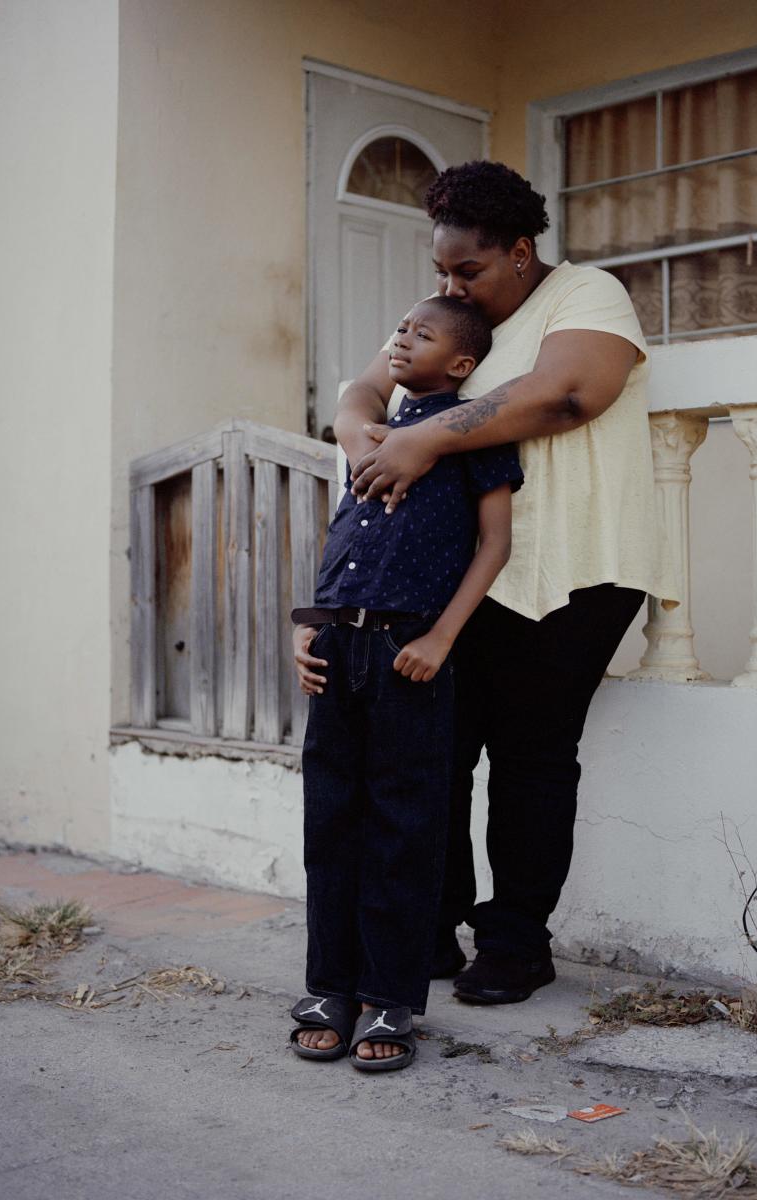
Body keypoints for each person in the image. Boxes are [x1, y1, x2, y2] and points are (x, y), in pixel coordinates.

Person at [297, 160, 680, 1006]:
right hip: (451, 578)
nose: (450, 285)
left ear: (518, 250)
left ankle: (514, 944)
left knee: (532, 758)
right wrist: (368, 436)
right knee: (435, 758)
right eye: (440, 271)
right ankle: (427, 934)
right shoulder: (453, 318)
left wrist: (426, 440)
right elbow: (364, 389)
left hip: (575, 565)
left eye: (467, 270)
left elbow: (568, 393)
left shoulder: (586, 294)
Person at [288, 295, 523, 1070]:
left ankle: (391, 998)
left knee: (403, 826)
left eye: (421, 334)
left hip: (407, 654)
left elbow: (493, 545)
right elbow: (346, 532)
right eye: (399, 329)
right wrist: (309, 623)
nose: (401, 339)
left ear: (460, 364)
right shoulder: (373, 432)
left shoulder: (472, 433)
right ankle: (331, 987)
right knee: (331, 821)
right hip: (338, 646)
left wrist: (442, 635)